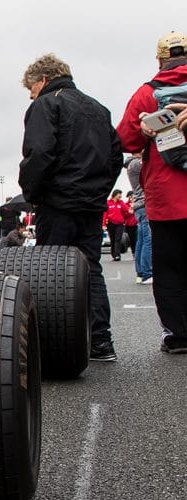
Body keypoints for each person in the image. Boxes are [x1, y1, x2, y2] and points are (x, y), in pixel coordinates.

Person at [19, 53, 123, 362]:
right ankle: (100, 341)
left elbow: (38, 153)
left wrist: (32, 194)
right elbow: (116, 156)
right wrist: (100, 191)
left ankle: (52, 346)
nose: (30, 94)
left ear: (44, 79)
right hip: (90, 203)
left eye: (31, 87)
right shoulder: (98, 109)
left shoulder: (46, 104)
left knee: (51, 274)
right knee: (90, 269)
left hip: (58, 202)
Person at [116, 31, 187, 354]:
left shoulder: (147, 93)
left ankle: (178, 336)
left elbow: (126, 141)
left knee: (170, 269)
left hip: (167, 195)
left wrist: (149, 129)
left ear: (160, 59)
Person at [124, 154, 152, 285]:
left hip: (139, 206)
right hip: (144, 204)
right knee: (148, 240)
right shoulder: (137, 163)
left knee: (141, 240)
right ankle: (147, 273)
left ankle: (141, 273)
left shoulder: (131, 164)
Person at [104, 189, 129, 261]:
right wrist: (104, 224)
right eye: (119, 194)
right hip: (110, 223)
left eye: (121, 194)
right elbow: (105, 214)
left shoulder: (121, 202)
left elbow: (126, 210)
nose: (120, 196)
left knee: (118, 239)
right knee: (112, 239)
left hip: (120, 224)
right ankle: (113, 254)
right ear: (115, 194)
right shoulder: (108, 203)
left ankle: (117, 255)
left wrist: (131, 209)